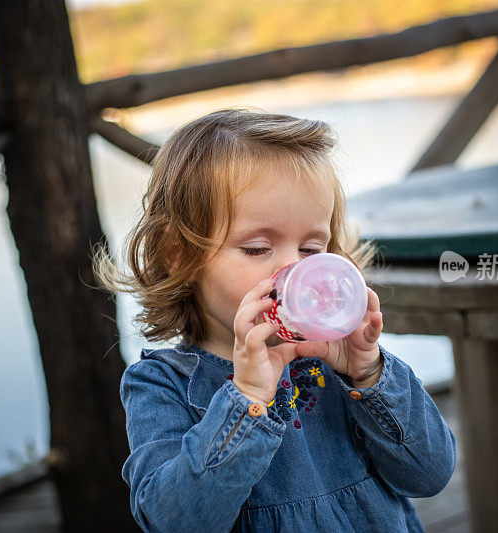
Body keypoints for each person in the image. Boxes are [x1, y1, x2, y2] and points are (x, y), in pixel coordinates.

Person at [93, 108, 456, 532]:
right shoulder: (162, 384)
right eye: (258, 248)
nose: (292, 270)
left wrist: (370, 373)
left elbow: (430, 474)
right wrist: (246, 399)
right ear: (179, 257)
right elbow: (175, 521)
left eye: (310, 249)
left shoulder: (335, 361)